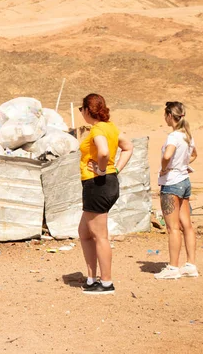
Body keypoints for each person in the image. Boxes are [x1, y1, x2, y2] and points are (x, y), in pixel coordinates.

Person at [78, 94, 133, 295]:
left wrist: (103, 169)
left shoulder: (98, 129)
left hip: (98, 184)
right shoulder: (111, 127)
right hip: (106, 182)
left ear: (86, 110)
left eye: (81, 109)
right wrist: (116, 169)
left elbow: (103, 153)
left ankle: (107, 282)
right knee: (84, 233)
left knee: (100, 236)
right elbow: (128, 147)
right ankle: (92, 278)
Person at [154, 101, 198, 279]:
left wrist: (165, 168)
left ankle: (173, 267)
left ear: (170, 116)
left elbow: (166, 155)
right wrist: (183, 165)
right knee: (186, 225)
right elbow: (194, 154)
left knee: (173, 228)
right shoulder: (187, 135)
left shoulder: (173, 137)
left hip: (172, 183)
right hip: (184, 181)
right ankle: (190, 264)